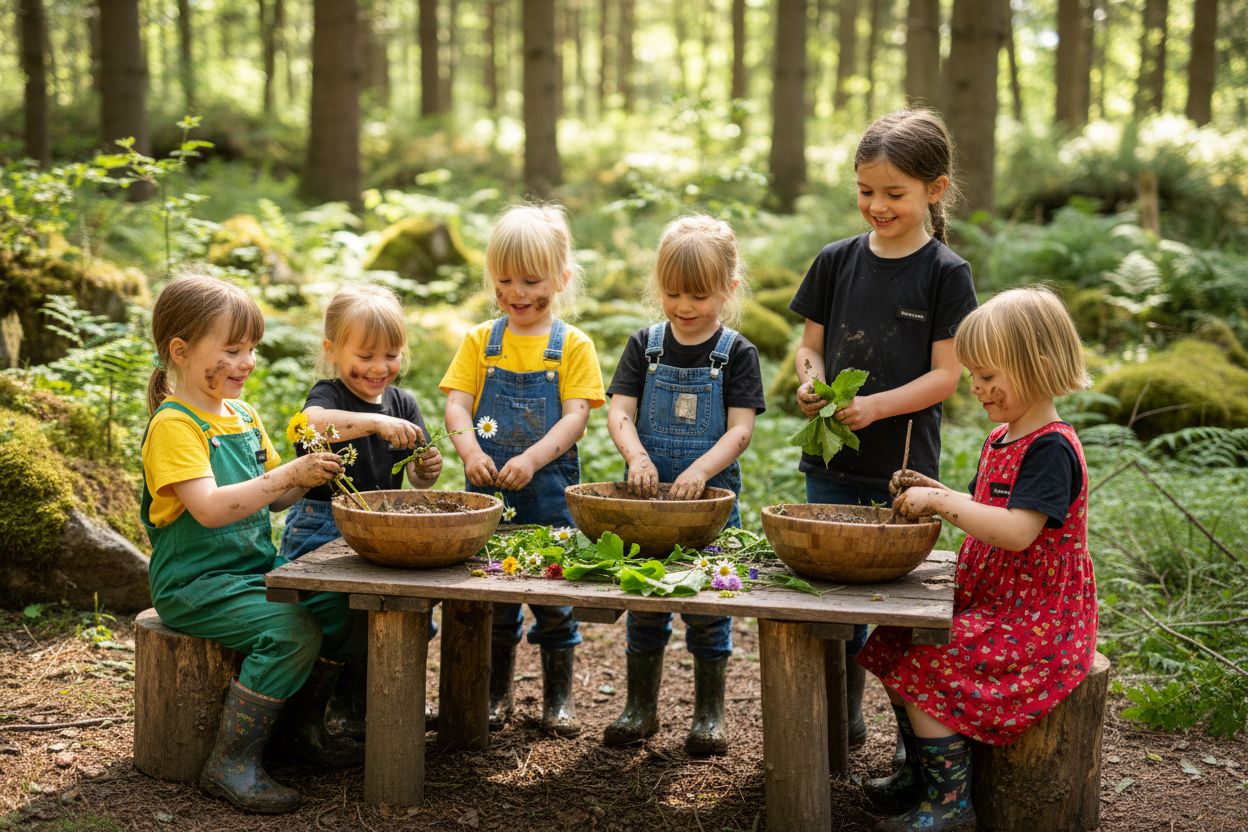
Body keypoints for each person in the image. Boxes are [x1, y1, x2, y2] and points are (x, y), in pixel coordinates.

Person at [860, 286, 1099, 832]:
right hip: (994, 602)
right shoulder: (1001, 438)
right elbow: (983, 506)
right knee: (894, 639)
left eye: (990, 376)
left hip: (1036, 620)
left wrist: (941, 504)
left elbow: (1016, 532)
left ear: (1037, 366)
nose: (977, 388)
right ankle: (923, 769)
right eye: (974, 375)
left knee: (926, 664)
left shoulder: (1051, 447)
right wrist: (934, 487)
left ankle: (951, 803)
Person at [789, 109, 978, 758]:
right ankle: (837, 726)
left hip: (904, 475)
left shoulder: (946, 273)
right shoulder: (835, 261)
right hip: (829, 462)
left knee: (899, 614)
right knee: (833, 606)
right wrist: (812, 381)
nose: (876, 205)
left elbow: (946, 377)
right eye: (866, 191)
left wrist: (875, 407)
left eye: (893, 193)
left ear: (935, 189)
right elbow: (808, 348)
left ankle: (913, 742)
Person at [140, 275, 367, 814]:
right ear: (182, 350)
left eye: (252, 350)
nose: (247, 362)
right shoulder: (175, 425)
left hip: (251, 569)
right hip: (196, 583)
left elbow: (274, 503)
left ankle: (300, 733)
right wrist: (287, 472)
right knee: (291, 631)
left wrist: (308, 475)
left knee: (337, 607)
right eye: (233, 349)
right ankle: (230, 761)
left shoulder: (243, 416)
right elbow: (212, 508)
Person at [601, 215, 765, 756]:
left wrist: (700, 470)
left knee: (706, 606)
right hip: (646, 503)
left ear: (728, 289)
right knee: (645, 601)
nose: (685, 306)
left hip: (708, 505)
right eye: (672, 293)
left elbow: (740, 429)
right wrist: (636, 455)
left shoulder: (737, 352)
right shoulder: (643, 347)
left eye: (699, 295)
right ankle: (640, 707)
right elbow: (619, 412)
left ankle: (709, 714)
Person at [441, 204, 605, 736]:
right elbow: (457, 406)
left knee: (554, 601)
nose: (517, 292)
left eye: (532, 280)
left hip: (550, 494)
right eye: (504, 279)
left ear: (561, 278)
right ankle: (495, 695)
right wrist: (469, 452)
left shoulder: (572, 346)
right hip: (488, 497)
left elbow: (576, 418)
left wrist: (533, 457)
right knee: (494, 601)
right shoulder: (479, 342)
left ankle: (559, 699)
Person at [278, 282, 443, 735]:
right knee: (343, 616)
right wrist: (374, 422)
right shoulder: (328, 395)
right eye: (365, 355)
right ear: (333, 350)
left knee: (403, 613)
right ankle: (330, 708)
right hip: (320, 528)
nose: (378, 367)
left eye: (390, 355)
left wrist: (428, 467)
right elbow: (309, 424)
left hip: (382, 529)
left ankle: (368, 705)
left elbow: (418, 477)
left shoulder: (404, 403)